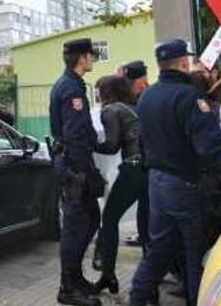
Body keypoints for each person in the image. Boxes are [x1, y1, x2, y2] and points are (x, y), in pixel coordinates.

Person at [130, 39, 221, 306]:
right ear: (184, 63)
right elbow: (210, 148)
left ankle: (137, 298)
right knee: (193, 254)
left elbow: (143, 141)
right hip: (183, 183)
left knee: (159, 249)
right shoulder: (190, 97)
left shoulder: (147, 95)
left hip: (157, 182)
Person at [49, 38, 102, 306]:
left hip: (78, 164)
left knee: (92, 219)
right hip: (74, 167)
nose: (93, 59)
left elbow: (86, 131)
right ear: (82, 58)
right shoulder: (70, 88)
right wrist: (81, 172)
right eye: (91, 55)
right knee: (75, 226)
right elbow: (74, 135)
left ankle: (75, 276)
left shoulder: (74, 84)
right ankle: (67, 288)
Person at [91, 75, 147, 296]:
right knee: (146, 224)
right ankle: (149, 284)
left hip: (133, 168)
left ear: (106, 92)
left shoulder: (110, 111)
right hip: (150, 169)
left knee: (110, 218)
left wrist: (91, 143)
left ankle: (108, 274)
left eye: (99, 92)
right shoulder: (135, 107)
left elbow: (112, 146)